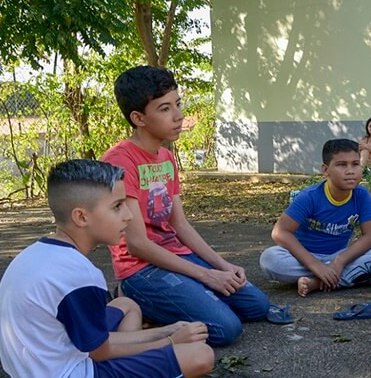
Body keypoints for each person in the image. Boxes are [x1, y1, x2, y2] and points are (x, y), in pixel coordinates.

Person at [0, 160, 214, 378]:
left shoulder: (37, 254)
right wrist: (171, 341)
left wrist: (168, 330)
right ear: (81, 217)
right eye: (117, 207)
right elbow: (99, 352)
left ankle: (145, 367)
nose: (129, 216)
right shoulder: (79, 275)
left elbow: (94, 344)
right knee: (201, 356)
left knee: (126, 304)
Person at [101, 66, 270, 347]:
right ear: (138, 118)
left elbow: (179, 224)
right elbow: (137, 245)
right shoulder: (120, 162)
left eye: (178, 104)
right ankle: (133, 298)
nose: (178, 115)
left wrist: (222, 265)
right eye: (165, 108)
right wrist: (207, 276)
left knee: (257, 306)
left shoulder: (166, 157)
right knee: (226, 328)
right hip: (142, 270)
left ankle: (173, 303)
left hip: (178, 257)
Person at [259, 139, 371, 296]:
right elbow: (280, 232)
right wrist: (315, 265)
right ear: (326, 170)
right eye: (342, 165)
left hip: (340, 257)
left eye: (355, 164)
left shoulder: (361, 195)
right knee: (269, 258)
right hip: (304, 258)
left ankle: (317, 282)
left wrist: (339, 261)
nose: (350, 171)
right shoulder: (310, 196)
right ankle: (333, 276)